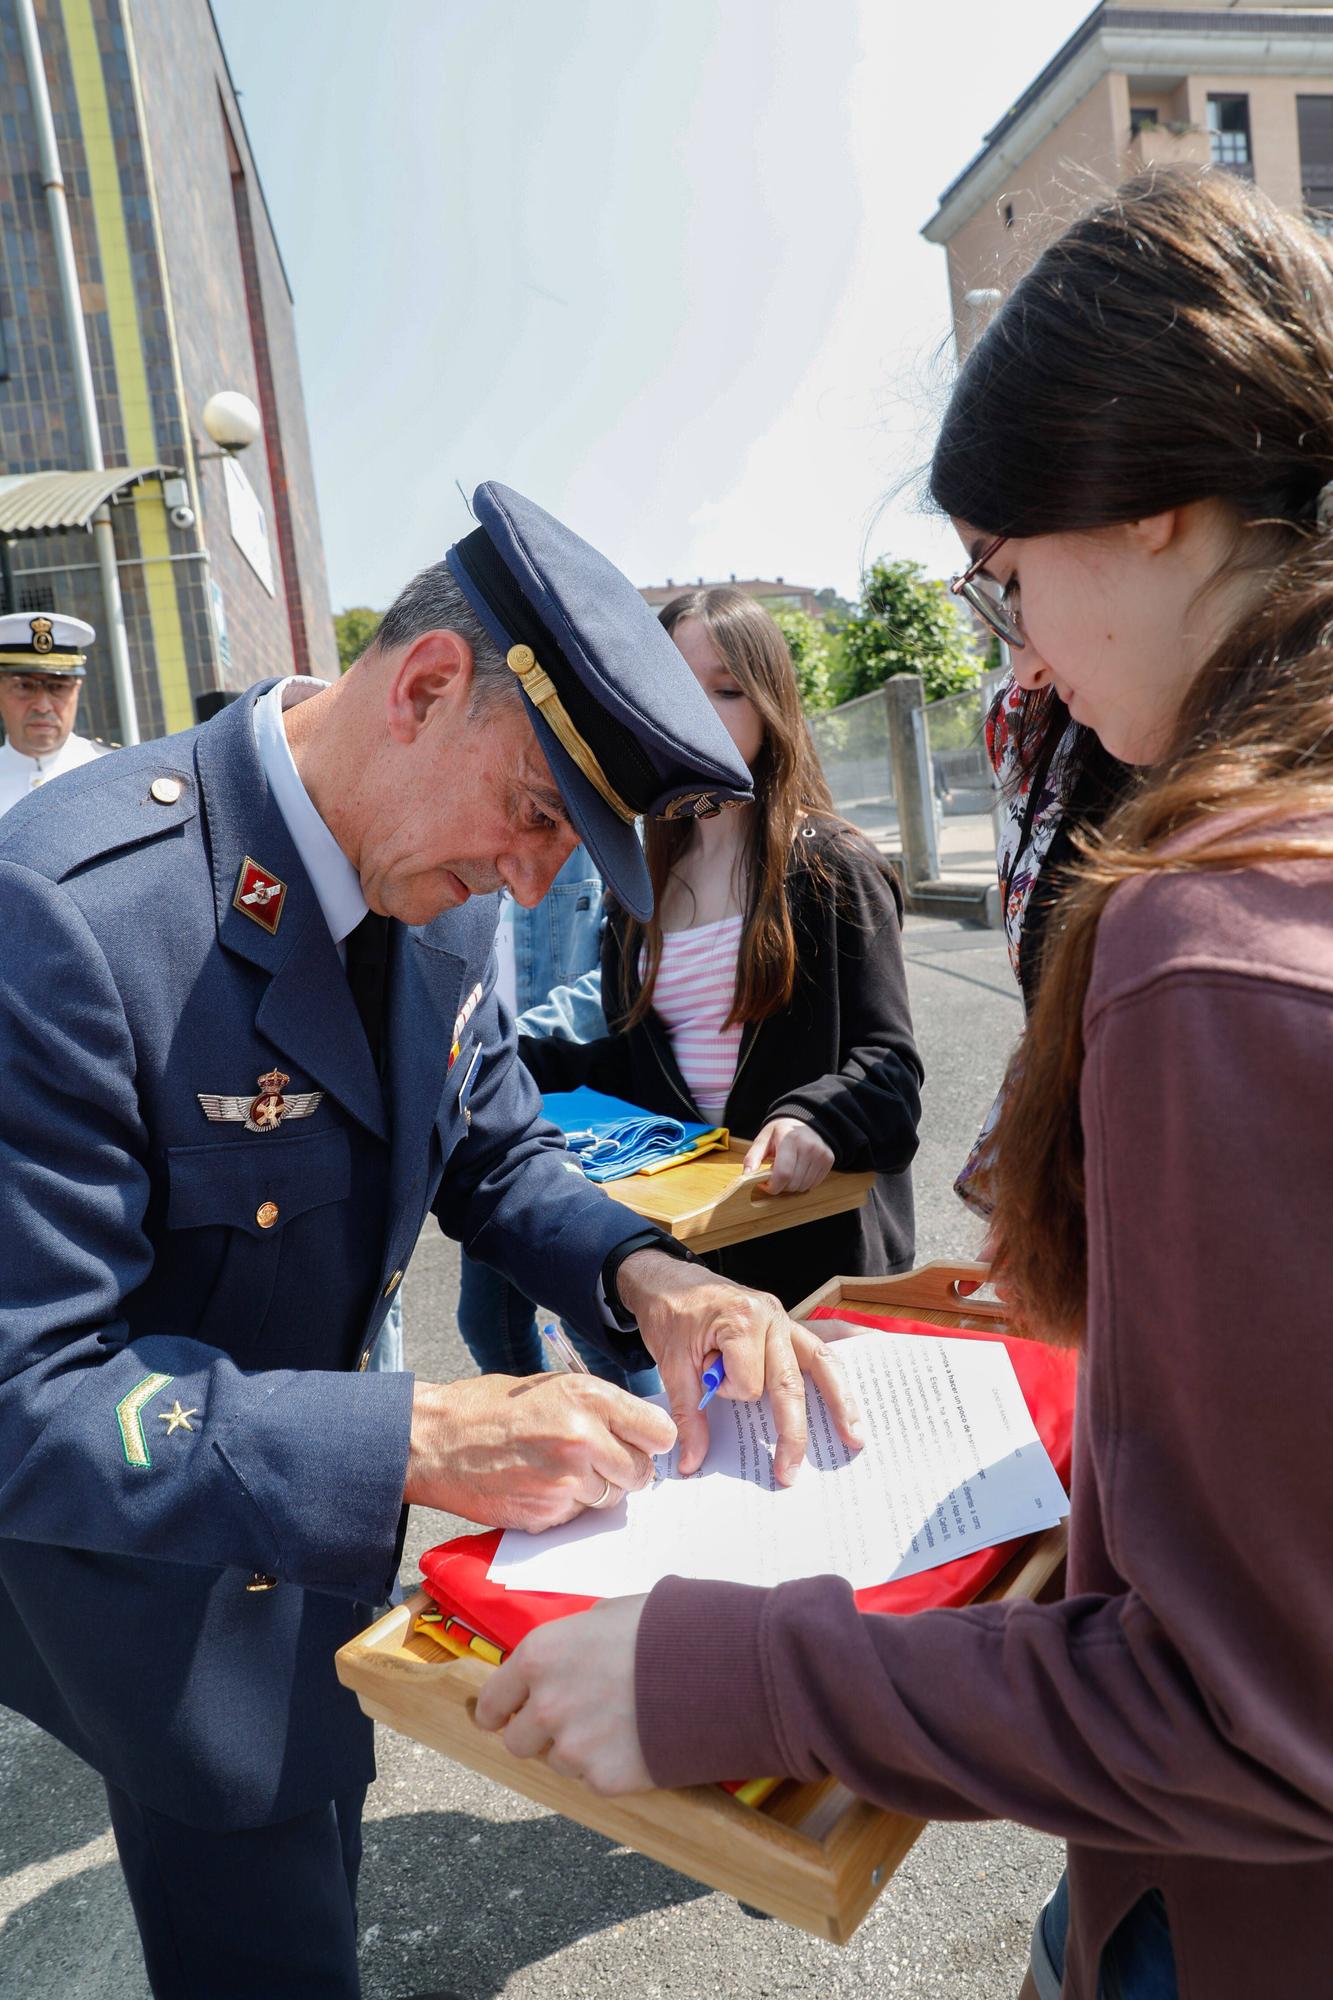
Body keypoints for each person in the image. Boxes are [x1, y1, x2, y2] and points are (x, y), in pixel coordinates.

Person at [477, 174, 1333, 2000]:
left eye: (1005, 578)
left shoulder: (1215, 936)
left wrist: (723, 1673)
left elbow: (1256, 1709)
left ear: (1156, 515)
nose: (1010, 649)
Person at [0, 481, 866, 2000]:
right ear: (421, 689)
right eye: (538, 817)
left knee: (321, 1847)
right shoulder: (71, 913)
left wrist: (647, 1274)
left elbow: (491, 1145)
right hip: (168, 1582)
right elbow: (26, 1393)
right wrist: (413, 1433)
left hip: (322, 1545)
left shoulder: (441, 887)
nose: (535, 883)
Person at [522, 586, 922, 1308]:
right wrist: (509, 1064)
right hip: (698, 1264)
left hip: (822, 1260)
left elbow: (888, 1068)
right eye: (676, 689)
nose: (697, 712)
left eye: (727, 690)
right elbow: (635, 1069)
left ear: (770, 708)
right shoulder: (639, 886)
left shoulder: (832, 864)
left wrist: (814, 1118)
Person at [457, 843, 660, 1388]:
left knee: (602, 1322)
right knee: (487, 1324)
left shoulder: (598, 834)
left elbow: (623, 976)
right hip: (483, 1111)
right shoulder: (458, 830)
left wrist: (505, 1045)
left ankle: (657, 1447)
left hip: (573, 1111)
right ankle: (552, 1432)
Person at [0, 610, 110, 812]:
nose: (42, 706)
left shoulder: (112, 771)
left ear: (76, 689)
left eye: (58, 687)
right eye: (24, 686)